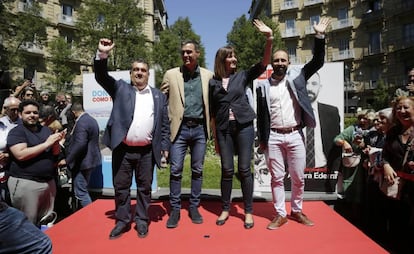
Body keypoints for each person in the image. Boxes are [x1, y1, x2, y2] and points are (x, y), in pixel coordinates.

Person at [256, 17, 331, 230]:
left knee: (298, 178)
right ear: (272, 63)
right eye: (276, 60)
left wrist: (319, 36)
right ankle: (281, 214)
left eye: (283, 60)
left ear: (289, 63)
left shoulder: (298, 78)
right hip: (273, 137)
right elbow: (262, 116)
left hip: (296, 135)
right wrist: (263, 140)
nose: (279, 63)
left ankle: (297, 210)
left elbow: (317, 61)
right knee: (276, 178)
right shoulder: (263, 87)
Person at [94, 38, 171, 239]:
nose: (139, 72)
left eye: (143, 70)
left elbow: (163, 124)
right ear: (130, 73)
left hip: (146, 152)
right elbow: (101, 76)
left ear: (148, 74)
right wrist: (102, 54)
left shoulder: (158, 96)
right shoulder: (120, 88)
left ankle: (142, 220)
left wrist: (164, 146)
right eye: (135, 69)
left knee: (145, 189)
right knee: (121, 188)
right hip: (123, 150)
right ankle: (122, 221)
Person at [209, 19, 272, 229]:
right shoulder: (213, 82)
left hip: (244, 127)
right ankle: (226, 208)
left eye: (235, 56)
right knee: (227, 170)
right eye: (230, 56)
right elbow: (212, 111)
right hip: (224, 130)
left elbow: (263, 64)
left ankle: (248, 211)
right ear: (222, 60)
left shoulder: (243, 76)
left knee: (244, 169)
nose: (234, 59)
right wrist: (215, 137)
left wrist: (269, 39)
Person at [160, 39, 213, 228]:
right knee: (175, 171)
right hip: (179, 130)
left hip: (199, 129)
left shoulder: (208, 75)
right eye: (183, 52)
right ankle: (175, 210)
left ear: (197, 53)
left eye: (190, 52)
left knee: (197, 170)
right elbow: (161, 101)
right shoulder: (171, 74)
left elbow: (214, 103)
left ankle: (194, 207)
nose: (186, 55)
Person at [7, 100, 65, 226]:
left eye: (35, 112)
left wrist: (55, 143)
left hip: (48, 183)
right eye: (28, 112)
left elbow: (54, 154)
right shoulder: (17, 132)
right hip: (27, 184)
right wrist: (46, 144)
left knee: (47, 221)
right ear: (20, 114)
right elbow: (20, 154)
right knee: (27, 224)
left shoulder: (45, 130)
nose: (32, 115)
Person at [381, 96, 414, 253]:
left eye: (406, 108)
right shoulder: (393, 132)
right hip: (397, 187)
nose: (402, 111)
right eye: (398, 108)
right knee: (396, 223)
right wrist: (386, 165)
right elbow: (384, 154)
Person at [333, 109, 374, 228]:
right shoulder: (352, 129)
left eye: (365, 118)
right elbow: (336, 139)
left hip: (371, 168)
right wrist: (345, 142)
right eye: (360, 117)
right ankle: (352, 222)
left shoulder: (374, 131)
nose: (361, 120)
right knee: (353, 195)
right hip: (355, 168)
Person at [63, 102, 101, 209]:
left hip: (83, 162)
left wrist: (68, 160)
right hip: (90, 160)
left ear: (74, 112)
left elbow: (80, 144)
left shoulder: (82, 122)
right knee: (82, 189)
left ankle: (89, 215)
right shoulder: (91, 120)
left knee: (81, 192)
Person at [0, 96, 21, 205]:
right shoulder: (1, 124)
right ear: (5, 109)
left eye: (18, 109)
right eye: (13, 110)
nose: (16, 112)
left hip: (16, 171)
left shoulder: (25, 125)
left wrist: (9, 155)